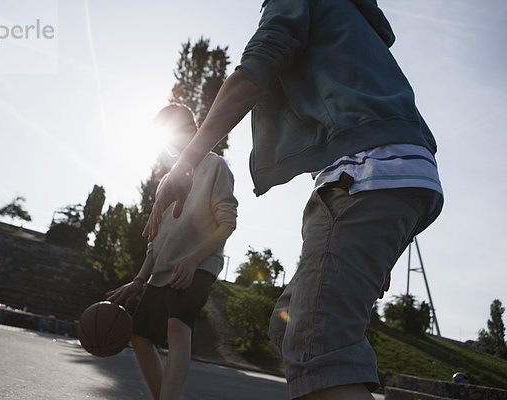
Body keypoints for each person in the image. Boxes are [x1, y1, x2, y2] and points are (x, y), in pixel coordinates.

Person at [142, 1, 444, 399]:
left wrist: (185, 164)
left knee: (317, 348)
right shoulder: (355, 22)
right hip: (406, 179)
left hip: (363, 176)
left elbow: (250, 75)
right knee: (289, 327)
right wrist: (388, 246)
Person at [107, 104, 238, 400]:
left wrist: (193, 260)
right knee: (139, 337)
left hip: (198, 265)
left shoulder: (215, 165)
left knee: (178, 326)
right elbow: (157, 240)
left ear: (192, 129)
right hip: (161, 271)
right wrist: (139, 279)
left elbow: (227, 223)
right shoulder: (167, 181)